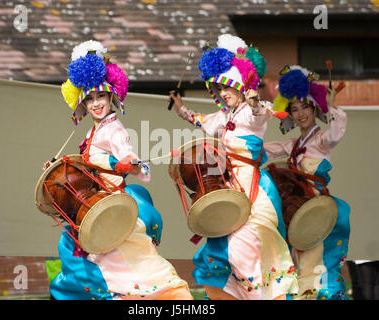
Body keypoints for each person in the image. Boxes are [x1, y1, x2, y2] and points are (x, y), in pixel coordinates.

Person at [44, 40, 192, 300]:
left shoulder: (113, 129)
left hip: (111, 202)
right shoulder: (93, 131)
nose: (96, 103)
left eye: (100, 95)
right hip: (97, 202)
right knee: (72, 244)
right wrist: (57, 168)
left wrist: (130, 163)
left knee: (126, 257)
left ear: (112, 95)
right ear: (82, 104)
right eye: (89, 99)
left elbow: (126, 154)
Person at [169, 34, 298, 300]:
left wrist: (252, 98)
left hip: (255, 190)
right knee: (223, 249)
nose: (223, 93)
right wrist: (181, 108)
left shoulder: (255, 111)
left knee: (246, 245)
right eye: (218, 89)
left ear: (240, 85)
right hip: (229, 189)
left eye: (227, 87)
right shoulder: (221, 118)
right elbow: (199, 120)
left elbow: (259, 112)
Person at [264, 65, 351, 300]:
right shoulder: (293, 145)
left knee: (319, 267)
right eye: (294, 109)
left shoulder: (322, 139)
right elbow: (263, 151)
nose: (300, 113)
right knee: (299, 266)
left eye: (305, 107)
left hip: (318, 213)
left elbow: (335, 133)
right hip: (298, 215)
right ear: (289, 115)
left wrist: (331, 105)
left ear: (314, 108)